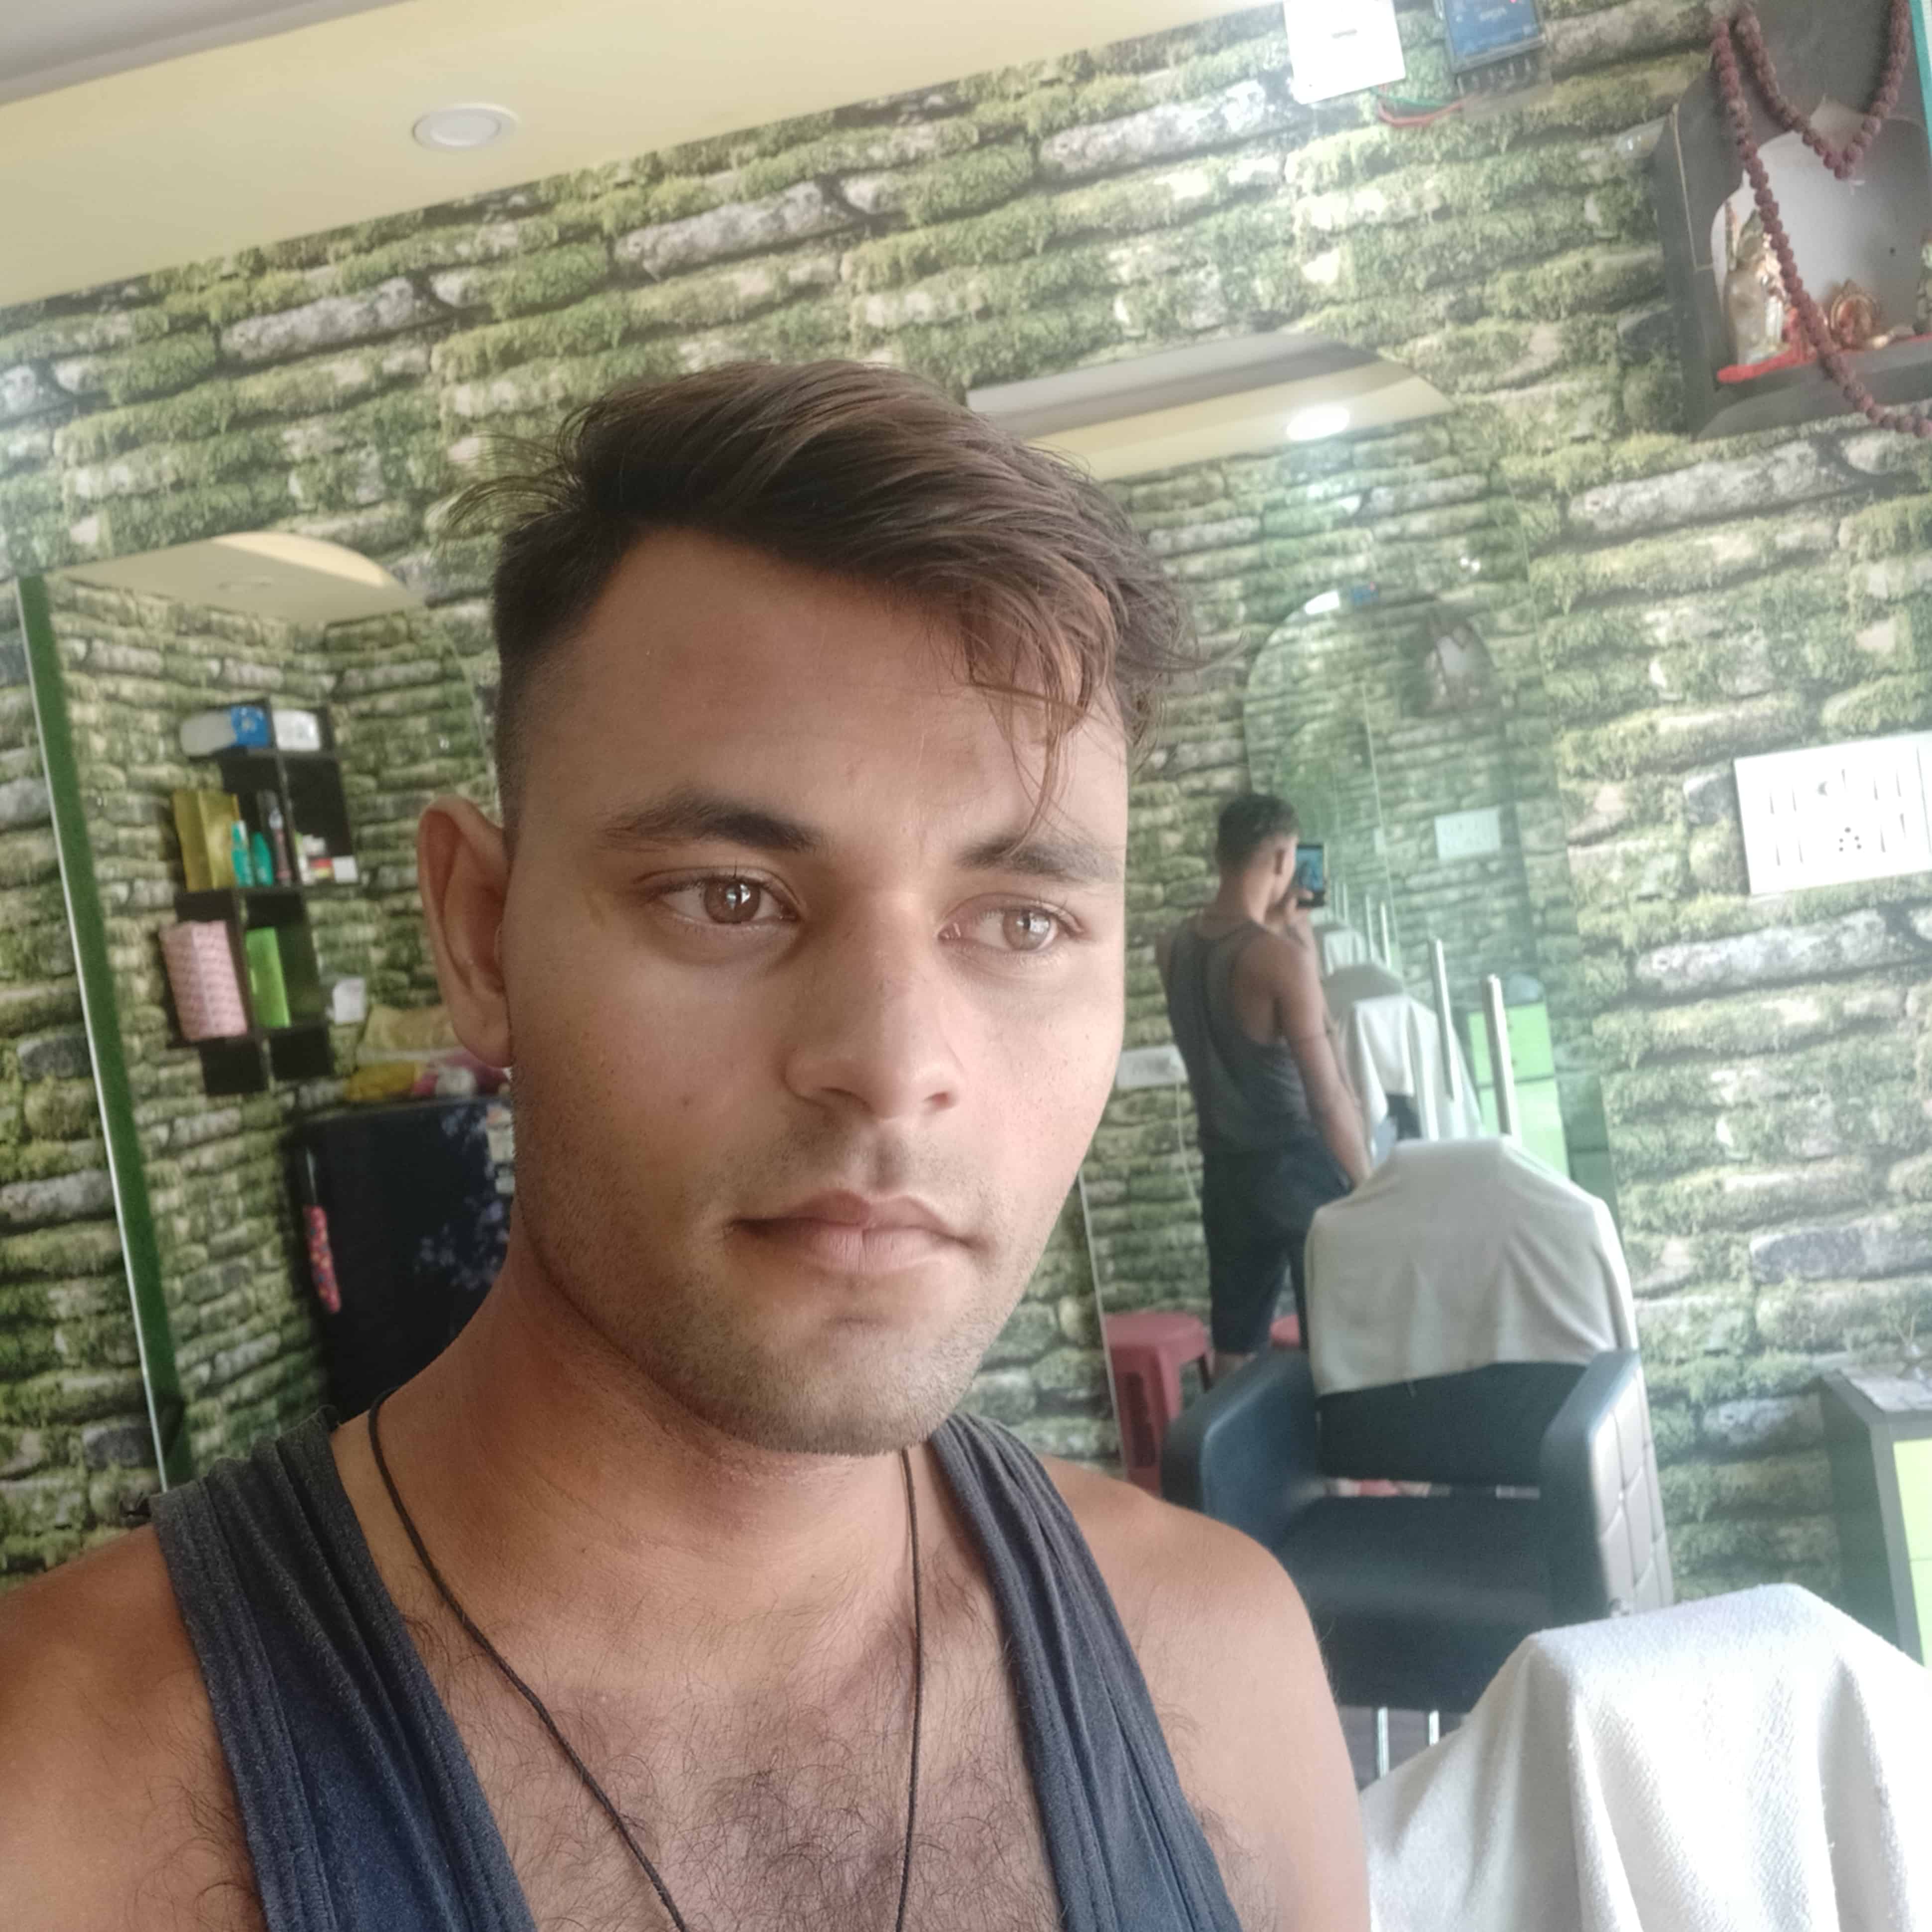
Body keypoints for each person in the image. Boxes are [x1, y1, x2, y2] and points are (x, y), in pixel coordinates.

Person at [0, 363, 1367, 1932]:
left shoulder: (1221, 1667)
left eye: (1022, 920)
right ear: (481, 935)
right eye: (730, 897)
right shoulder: (59, 1796)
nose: (894, 1069)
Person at [1157, 795, 1371, 1380]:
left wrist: (1287, 930)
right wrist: (1368, 1184)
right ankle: (1339, 1448)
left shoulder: (1170, 947)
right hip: (1297, 1167)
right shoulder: (1280, 960)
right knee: (1335, 1343)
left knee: (1236, 1343)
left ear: (1219, 856)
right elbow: (1327, 1096)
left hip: (1225, 1173)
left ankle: (1230, 1441)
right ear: (1283, 858)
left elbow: (1230, 1001)